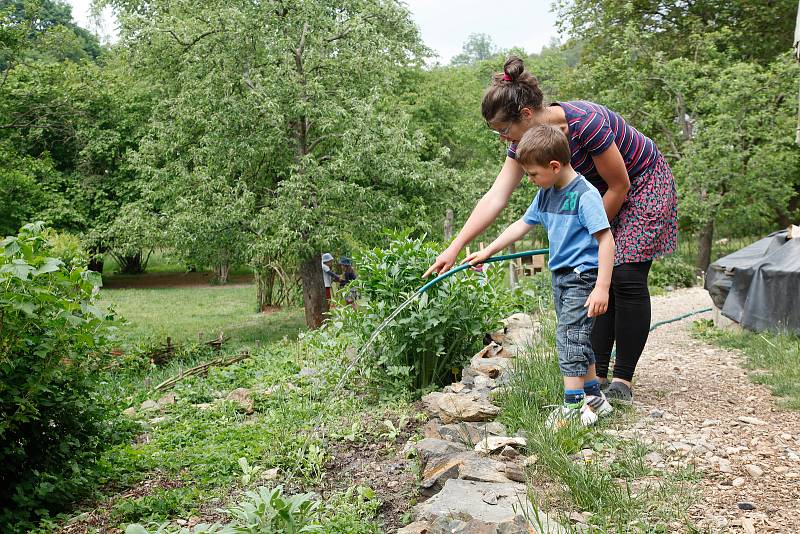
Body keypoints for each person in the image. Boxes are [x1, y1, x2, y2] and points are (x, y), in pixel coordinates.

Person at [425, 56, 678, 402]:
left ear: (526, 115)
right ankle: (597, 377)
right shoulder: (527, 145)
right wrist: (456, 247)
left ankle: (623, 380)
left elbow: (619, 185)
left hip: (640, 182)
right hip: (595, 194)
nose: (503, 139)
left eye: (503, 130)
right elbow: (496, 197)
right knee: (592, 273)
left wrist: (583, 235)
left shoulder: (585, 124)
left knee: (624, 277)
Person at [464, 124, 615, 426]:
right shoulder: (547, 193)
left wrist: (602, 287)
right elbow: (522, 224)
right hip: (562, 277)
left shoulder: (584, 195)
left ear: (555, 166)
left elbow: (606, 240)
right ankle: (594, 399)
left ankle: (573, 409)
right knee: (578, 337)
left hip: (583, 277)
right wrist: (488, 250)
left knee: (569, 338)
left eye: (533, 174)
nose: (530, 180)